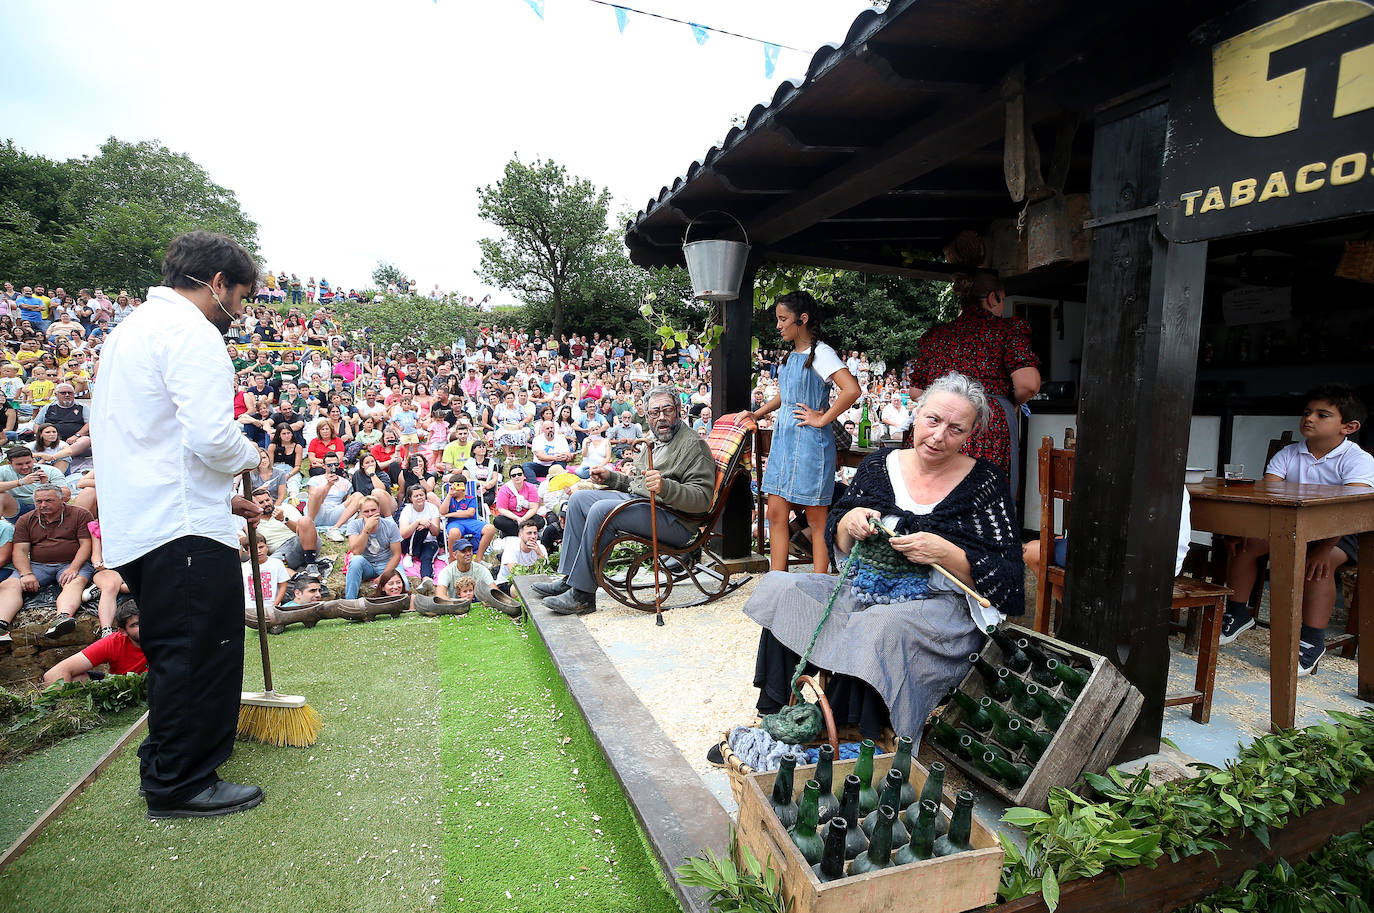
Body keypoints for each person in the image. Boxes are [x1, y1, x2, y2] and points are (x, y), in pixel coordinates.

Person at [90, 230, 264, 819]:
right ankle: (182, 783)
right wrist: (249, 457)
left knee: (174, 649)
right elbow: (212, 438)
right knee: (200, 650)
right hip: (180, 528)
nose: (237, 313)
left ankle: (167, 761)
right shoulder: (193, 334)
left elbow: (153, 441)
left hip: (150, 521)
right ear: (216, 283)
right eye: (238, 297)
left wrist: (223, 501)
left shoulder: (128, 330)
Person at [745, 372, 1023, 742]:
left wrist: (947, 553)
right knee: (785, 588)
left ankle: (848, 734)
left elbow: (1006, 576)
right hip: (864, 589)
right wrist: (850, 522)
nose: (939, 436)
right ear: (916, 412)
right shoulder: (879, 466)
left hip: (938, 606)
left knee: (878, 626)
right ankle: (777, 715)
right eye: (933, 420)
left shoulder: (985, 482)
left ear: (970, 434)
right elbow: (837, 536)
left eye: (956, 429)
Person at [1219, 384, 1373, 674]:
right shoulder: (1289, 454)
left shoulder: (1359, 460)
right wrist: (1240, 529)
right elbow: (1268, 497)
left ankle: (1312, 639)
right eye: (1307, 412)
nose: (1309, 419)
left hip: (1342, 532)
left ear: (1349, 427)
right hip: (1289, 525)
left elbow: (1348, 511)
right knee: (1246, 545)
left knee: (1318, 564)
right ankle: (1238, 613)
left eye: (1322, 415)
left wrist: (1322, 547)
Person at [532, 386, 715, 615]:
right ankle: (570, 578)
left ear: (678, 410)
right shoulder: (658, 439)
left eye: (667, 410)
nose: (661, 417)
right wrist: (612, 478)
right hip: (646, 506)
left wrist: (665, 487)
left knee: (602, 511)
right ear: (647, 416)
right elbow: (639, 484)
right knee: (578, 500)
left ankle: (582, 595)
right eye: (654, 413)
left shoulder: (693, 446)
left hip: (676, 522)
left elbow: (702, 500)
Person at [750, 291, 861, 573]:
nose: (778, 325)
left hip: (811, 444)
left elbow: (852, 390)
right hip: (784, 443)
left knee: (816, 518)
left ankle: (819, 583)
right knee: (775, 512)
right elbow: (784, 397)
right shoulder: (791, 356)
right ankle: (777, 580)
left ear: (802, 319)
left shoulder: (822, 353)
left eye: (782, 319)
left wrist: (822, 418)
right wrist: (757, 413)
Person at [907, 269, 1041, 492]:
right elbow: (1029, 384)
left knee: (933, 492)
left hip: (937, 426)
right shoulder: (1005, 330)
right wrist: (1010, 403)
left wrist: (944, 405)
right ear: (992, 298)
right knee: (982, 495)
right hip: (987, 424)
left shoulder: (938, 335)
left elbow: (916, 391)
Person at [0, 483, 96, 638]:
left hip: (72, 562)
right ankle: (1, 623)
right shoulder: (26, 519)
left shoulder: (80, 514)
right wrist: (26, 573)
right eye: (39, 501)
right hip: (39, 565)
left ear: (62, 500)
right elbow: (20, 551)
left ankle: (63, 617)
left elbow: (86, 545)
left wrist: (74, 567)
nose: (43, 505)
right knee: (11, 583)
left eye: (49, 500)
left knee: (74, 582)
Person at [43, 603, 146, 684]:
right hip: (122, 689)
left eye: (145, 620)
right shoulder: (113, 643)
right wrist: (65, 707)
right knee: (76, 679)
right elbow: (53, 674)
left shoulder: (161, 635)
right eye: (135, 625)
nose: (143, 627)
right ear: (123, 631)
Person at [343, 495, 403, 598]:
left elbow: (396, 555)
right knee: (356, 560)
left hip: (386, 563)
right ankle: (350, 602)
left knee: (403, 582)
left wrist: (383, 576)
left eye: (373, 510)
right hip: (367, 564)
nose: (370, 514)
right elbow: (356, 551)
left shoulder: (390, 526)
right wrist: (367, 529)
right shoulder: (354, 525)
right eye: (366, 511)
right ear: (360, 513)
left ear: (379, 510)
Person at [494, 518, 547, 598]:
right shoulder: (511, 548)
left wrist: (539, 554)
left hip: (533, 581)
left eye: (535, 533)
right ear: (520, 535)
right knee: (519, 589)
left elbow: (546, 570)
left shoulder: (541, 548)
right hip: (509, 582)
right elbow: (514, 572)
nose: (533, 536)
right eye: (529, 533)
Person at [398, 485, 443, 580]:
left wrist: (428, 524)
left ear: (425, 496)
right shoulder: (407, 510)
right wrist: (417, 522)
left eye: (421, 495)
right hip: (409, 542)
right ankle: (409, 554)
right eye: (416, 496)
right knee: (419, 528)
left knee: (427, 557)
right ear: (410, 498)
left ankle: (426, 578)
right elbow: (403, 534)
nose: (419, 498)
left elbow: (436, 532)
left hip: (429, 541)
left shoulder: (432, 508)